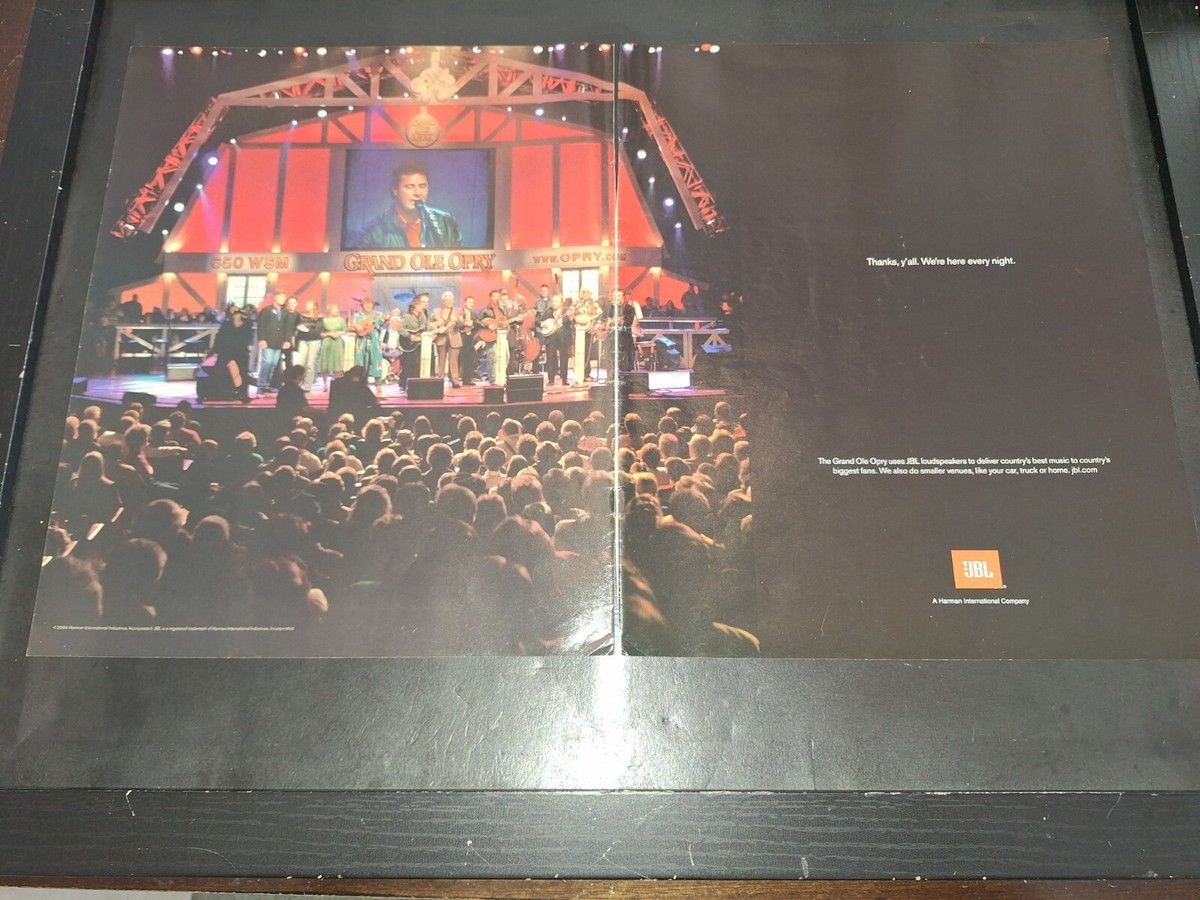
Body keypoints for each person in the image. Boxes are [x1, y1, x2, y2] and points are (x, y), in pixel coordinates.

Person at [353, 159, 463, 249]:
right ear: (395, 190)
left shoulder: (447, 223)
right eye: (410, 187)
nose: (417, 193)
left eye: (422, 186)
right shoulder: (372, 232)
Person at [211, 305, 253, 401]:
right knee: (220, 371)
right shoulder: (226, 325)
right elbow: (219, 339)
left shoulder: (246, 325)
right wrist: (215, 351)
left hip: (241, 352)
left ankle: (243, 394)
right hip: (226, 351)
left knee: (243, 373)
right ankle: (222, 393)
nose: (237, 314)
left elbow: (248, 338)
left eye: (238, 312)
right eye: (234, 312)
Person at [256, 291, 292, 396]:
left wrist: (287, 340)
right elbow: (261, 325)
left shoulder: (285, 312)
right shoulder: (267, 310)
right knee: (267, 363)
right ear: (276, 298)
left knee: (273, 364)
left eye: (284, 297)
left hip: (279, 342)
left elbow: (288, 327)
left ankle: (267, 385)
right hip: (268, 340)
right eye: (281, 297)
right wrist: (261, 339)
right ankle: (261, 385)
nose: (283, 299)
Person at [430, 290, 464, 388]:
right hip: (441, 338)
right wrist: (437, 325)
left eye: (451, 300)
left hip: (454, 337)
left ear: (453, 301)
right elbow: (429, 323)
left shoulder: (458, 311)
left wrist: (458, 321)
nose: (449, 302)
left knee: (454, 360)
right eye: (447, 300)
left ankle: (455, 381)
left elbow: (462, 324)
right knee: (441, 360)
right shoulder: (436, 311)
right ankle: (439, 380)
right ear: (443, 301)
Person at [398, 293, 430, 389]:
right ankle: (404, 383)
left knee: (416, 365)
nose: (423, 307)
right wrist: (409, 336)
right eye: (421, 305)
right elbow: (400, 328)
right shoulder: (407, 317)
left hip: (418, 345)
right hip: (408, 344)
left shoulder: (423, 317)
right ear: (414, 306)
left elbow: (426, 328)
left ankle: (415, 385)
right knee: (408, 365)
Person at [292, 298, 323, 391]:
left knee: (310, 364)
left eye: (309, 304)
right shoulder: (302, 316)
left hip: (314, 341)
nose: (307, 306)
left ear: (314, 306)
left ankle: (307, 385)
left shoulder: (319, 317)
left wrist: (307, 330)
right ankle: (298, 383)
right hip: (303, 340)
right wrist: (299, 328)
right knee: (301, 363)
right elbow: (297, 326)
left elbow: (318, 331)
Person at [351, 297, 385, 384]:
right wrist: (357, 328)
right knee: (360, 360)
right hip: (361, 340)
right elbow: (353, 326)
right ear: (362, 305)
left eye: (370, 304)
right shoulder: (357, 315)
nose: (368, 306)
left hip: (374, 339)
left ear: (373, 305)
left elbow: (382, 322)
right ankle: (361, 382)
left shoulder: (378, 314)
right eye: (366, 304)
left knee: (376, 359)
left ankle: (378, 382)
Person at [542, 294, 571, 387]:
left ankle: (564, 379)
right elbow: (539, 321)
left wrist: (566, 319)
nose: (554, 303)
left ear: (561, 302)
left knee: (564, 358)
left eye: (557, 301)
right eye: (553, 301)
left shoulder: (566, 311)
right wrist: (544, 324)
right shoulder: (548, 311)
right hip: (551, 337)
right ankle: (551, 379)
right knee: (550, 358)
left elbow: (570, 322)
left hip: (563, 337)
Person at [318, 304, 347, 389]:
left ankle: (337, 383)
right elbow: (320, 334)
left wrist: (338, 333)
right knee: (325, 364)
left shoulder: (341, 320)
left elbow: (344, 330)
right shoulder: (324, 320)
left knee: (337, 363)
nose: (336, 311)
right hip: (327, 342)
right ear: (329, 311)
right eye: (334, 310)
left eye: (337, 310)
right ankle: (325, 384)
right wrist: (329, 334)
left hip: (337, 343)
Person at [616, 289, 642, 372]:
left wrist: (624, 321)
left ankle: (628, 367)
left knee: (628, 348)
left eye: (629, 294)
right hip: (618, 331)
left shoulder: (633, 305)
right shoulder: (616, 306)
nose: (628, 296)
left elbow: (638, 317)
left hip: (628, 330)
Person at [459, 295, 478, 386]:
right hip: (461, 337)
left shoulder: (474, 314)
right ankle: (455, 378)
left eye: (472, 302)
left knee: (469, 359)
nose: (471, 304)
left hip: (470, 338)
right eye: (469, 302)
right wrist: (465, 324)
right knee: (459, 359)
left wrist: (472, 325)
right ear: (465, 303)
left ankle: (467, 379)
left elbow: (477, 325)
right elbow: (458, 325)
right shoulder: (460, 312)